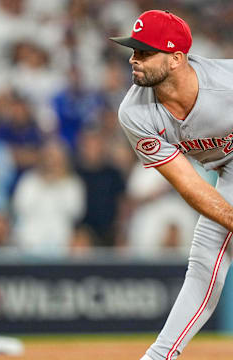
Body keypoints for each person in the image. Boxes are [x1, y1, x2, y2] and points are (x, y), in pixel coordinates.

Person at [110, 9, 233, 360]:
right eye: (133, 51)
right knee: (205, 260)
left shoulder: (226, 85)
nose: (134, 60)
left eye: (145, 52)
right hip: (225, 168)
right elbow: (190, 186)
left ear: (177, 58)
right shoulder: (134, 112)